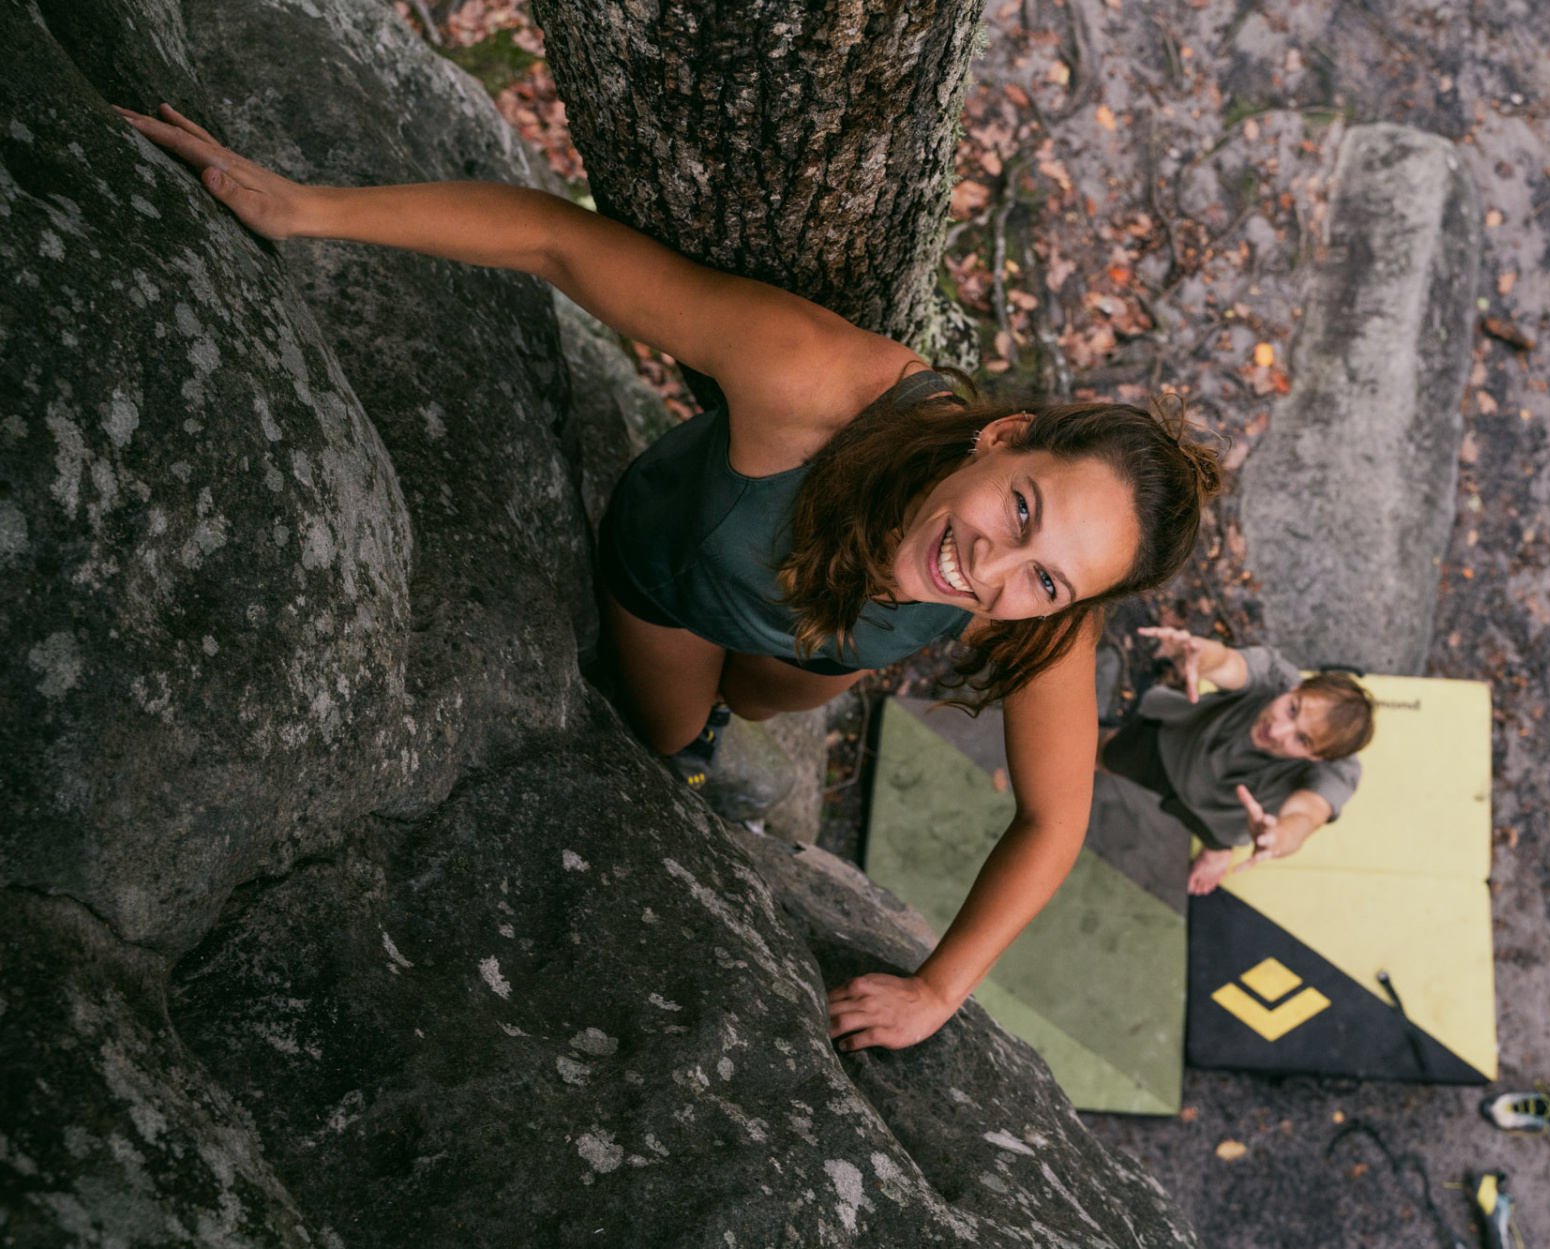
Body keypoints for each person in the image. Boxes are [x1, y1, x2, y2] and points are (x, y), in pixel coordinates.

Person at [122, 105, 1220, 1052]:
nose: (993, 567)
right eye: (1020, 511)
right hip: (683, 578)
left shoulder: (1044, 619)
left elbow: (1051, 820)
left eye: (1047, 579)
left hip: (819, 647)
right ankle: (694, 746)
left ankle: (741, 719)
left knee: (775, 694)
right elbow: (557, 245)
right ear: (1005, 437)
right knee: (667, 737)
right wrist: (305, 208)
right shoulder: (812, 381)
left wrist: (942, 988)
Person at [1103, 627, 1375, 895]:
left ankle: (1217, 851)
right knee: (1105, 755)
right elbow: (1227, 663)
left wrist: (1280, 837)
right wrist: (1201, 655)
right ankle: (1218, 849)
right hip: (1168, 747)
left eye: (1302, 740)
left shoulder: (1338, 772)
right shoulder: (1275, 676)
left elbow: (1307, 814)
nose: (1278, 731)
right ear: (1297, 686)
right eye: (1292, 709)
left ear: (1317, 757)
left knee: (1219, 839)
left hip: (1217, 822)